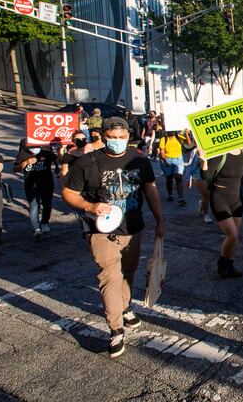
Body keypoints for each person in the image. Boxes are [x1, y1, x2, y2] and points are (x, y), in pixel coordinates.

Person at [62, 117, 164, 358]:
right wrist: (89, 206)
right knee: (109, 277)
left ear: (129, 137)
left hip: (133, 227)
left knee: (128, 273)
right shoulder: (87, 162)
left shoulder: (140, 160)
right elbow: (68, 192)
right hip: (101, 231)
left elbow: (150, 189)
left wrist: (160, 220)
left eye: (122, 138)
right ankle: (116, 329)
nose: (117, 142)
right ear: (103, 136)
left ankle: (125, 307)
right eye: (112, 138)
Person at [205, 149, 243, 279]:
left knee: (235, 237)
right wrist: (204, 161)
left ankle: (230, 265)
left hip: (236, 201)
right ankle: (222, 261)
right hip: (219, 199)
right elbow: (206, 176)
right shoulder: (221, 154)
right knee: (232, 235)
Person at [14, 140, 59, 239]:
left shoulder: (46, 152)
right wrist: (26, 162)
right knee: (34, 206)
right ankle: (36, 228)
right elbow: (15, 169)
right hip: (31, 185)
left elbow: (59, 160)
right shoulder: (23, 154)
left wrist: (60, 148)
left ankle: (45, 223)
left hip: (47, 184)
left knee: (47, 204)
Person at [158, 130, 191, 205]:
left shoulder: (179, 137)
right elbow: (162, 151)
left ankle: (181, 198)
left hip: (178, 160)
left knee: (178, 178)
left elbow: (189, 143)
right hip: (166, 159)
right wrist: (165, 161)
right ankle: (170, 194)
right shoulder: (163, 139)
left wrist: (187, 134)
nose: (171, 132)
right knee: (169, 178)